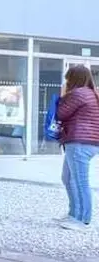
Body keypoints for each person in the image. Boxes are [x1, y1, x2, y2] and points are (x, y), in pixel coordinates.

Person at [57, 65, 99, 231]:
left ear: (73, 79)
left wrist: (63, 95)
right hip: (86, 142)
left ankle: (83, 220)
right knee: (67, 177)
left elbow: (61, 113)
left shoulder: (78, 93)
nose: (66, 81)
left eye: (68, 78)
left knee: (80, 182)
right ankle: (74, 214)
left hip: (79, 142)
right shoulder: (92, 93)